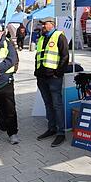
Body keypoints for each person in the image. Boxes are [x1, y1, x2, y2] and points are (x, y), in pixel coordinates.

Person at [34, 17, 69, 147]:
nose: (42, 26)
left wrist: (57, 73)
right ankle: (52, 128)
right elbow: (39, 56)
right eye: (41, 24)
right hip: (41, 77)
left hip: (53, 78)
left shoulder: (59, 36)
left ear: (52, 24)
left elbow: (65, 56)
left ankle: (61, 133)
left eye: (44, 24)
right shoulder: (42, 38)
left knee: (57, 105)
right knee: (48, 104)